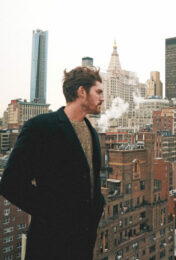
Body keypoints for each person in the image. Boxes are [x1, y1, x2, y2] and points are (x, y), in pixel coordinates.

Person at [0, 66, 105, 260]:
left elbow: (91, 179)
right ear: (82, 92)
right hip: (49, 245)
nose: (102, 98)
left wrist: (98, 206)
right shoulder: (41, 127)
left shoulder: (92, 131)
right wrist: (53, 213)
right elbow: (10, 183)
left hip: (82, 246)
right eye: (98, 92)